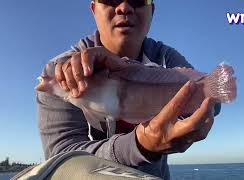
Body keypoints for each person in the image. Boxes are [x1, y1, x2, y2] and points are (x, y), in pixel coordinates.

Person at [37, 0, 221, 179]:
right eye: (111, 0)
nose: (124, 7)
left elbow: (215, 96)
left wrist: (210, 102)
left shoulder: (164, 57)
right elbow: (61, 158)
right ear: (94, 9)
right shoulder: (61, 71)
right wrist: (140, 145)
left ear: (152, 11)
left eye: (138, 0)